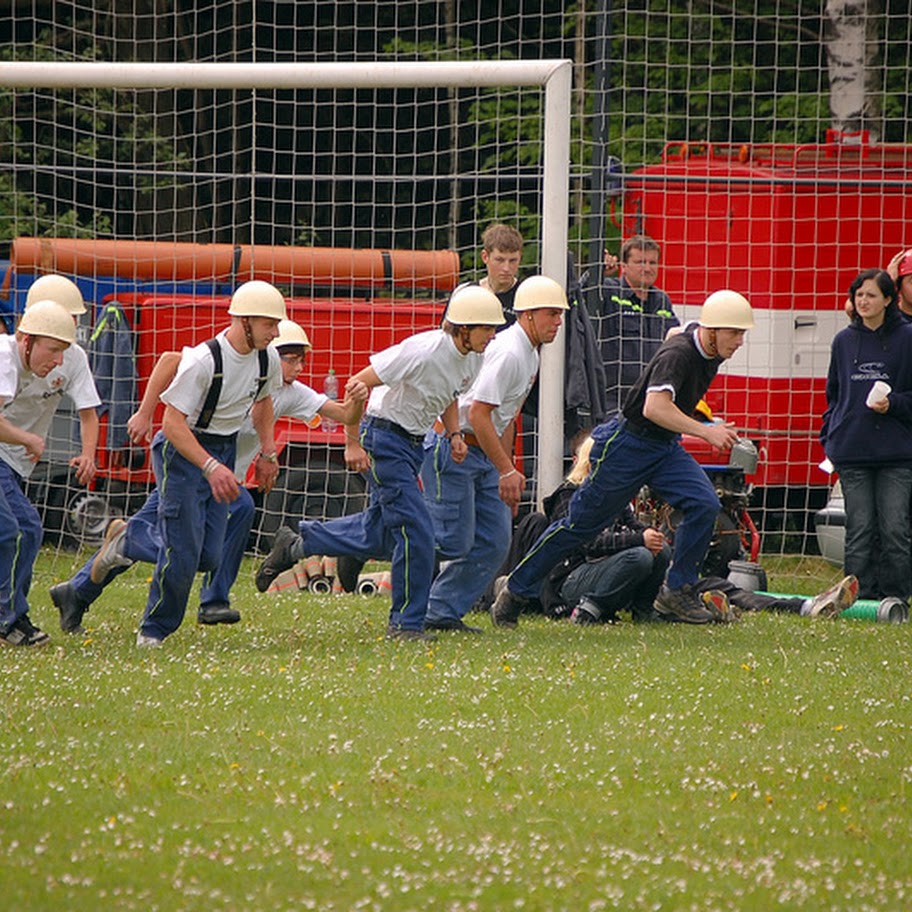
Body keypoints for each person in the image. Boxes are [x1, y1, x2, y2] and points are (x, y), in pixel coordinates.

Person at [49, 319, 368, 633]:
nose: (297, 366)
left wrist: (356, 403)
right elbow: (169, 360)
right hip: (188, 462)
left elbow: (341, 414)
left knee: (167, 542)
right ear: (268, 348)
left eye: (301, 359)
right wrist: (145, 412)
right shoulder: (232, 367)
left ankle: (77, 592)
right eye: (290, 358)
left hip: (214, 477)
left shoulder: (288, 392)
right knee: (210, 527)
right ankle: (211, 599)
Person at [490, 289, 755, 628]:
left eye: (742, 333)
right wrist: (707, 431)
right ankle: (514, 590)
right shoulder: (678, 355)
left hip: (663, 446)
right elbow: (653, 407)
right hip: (626, 444)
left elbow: (678, 331)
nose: (740, 341)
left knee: (704, 503)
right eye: (734, 333)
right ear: (714, 330)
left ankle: (676, 591)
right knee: (578, 527)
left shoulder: (699, 339)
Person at [255, 284, 505, 641]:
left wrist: (453, 435)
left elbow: (449, 394)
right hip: (383, 438)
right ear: (463, 328)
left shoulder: (474, 357)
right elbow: (357, 383)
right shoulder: (421, 351)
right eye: (487, 328)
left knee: (381, 531)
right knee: (416, 531)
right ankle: (405, 625)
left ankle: (297, 544)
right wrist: (352, 443)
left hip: (413, 445)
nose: (492, 336)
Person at [133, 280, 287, 647]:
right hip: (183, 449)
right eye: (270, 324)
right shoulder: (204, 361)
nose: (277, 332)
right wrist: (210, 466)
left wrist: (268, 454)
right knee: (183, 553)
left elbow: (264, 404)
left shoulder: (269, 359)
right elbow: (171, 424)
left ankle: (128, 539)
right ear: (244, 321)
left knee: (208, 555)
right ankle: (154, 630)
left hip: (224, 448)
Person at [419, 275, 568, 633]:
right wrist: (504, 469)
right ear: (528, 315)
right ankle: (369, 550)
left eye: (560, 315)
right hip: (454, 449)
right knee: (449, 539)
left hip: (482, 453)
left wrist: (508, 470)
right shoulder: (511, 351)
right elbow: (480, 413)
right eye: (552, 314)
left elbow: (504, 417)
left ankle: (440, 612)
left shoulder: (528, 352)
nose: (559, 322)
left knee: (496, 541)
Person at [820, 268, 912, 602]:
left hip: (897, 454)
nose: (863, 301)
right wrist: (830, 434)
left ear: (889, 299)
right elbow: (834, 393)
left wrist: (895, 404)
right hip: (852, 449)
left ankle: (896, 598)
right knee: (858, 529)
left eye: (871, 295)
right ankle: (858, 597)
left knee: (895, 529)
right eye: (859, 294)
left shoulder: (907, 338)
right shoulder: (844, 341)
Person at [0, 300, 79, 646]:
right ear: (26, 340)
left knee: (26, 528)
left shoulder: (24, 362)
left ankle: (13, 618)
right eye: (54, 349)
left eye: (64, 351)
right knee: (9, 531)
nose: (59, 360)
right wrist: (27, 438)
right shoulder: (5, 358)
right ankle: (7, 620)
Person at [593, 235, 680, 415]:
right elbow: (579, 298)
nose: (648, 268)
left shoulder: (661, 301)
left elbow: (677, 341)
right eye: (640, 262)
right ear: (624, 266)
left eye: (652, 262)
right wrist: (596, 273)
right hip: (612, 402)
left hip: (651, 399)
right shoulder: (608, 292)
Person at [479, 222, 524, 326]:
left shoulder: (526, 297)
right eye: (499, 260)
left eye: (513, 261)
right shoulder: (466, 293)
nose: (506, 268)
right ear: (485, 257)